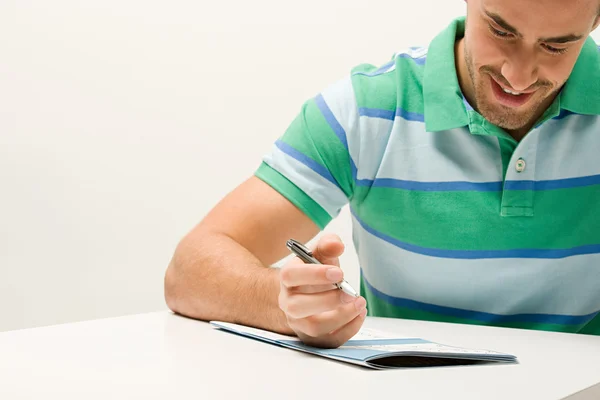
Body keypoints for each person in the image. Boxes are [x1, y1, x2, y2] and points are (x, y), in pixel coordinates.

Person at [164, 0, 600, 348]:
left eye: (556, 46)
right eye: (501, 31)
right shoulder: (365, 111)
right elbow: (190, 270)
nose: (517, 75)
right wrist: (289, 305)